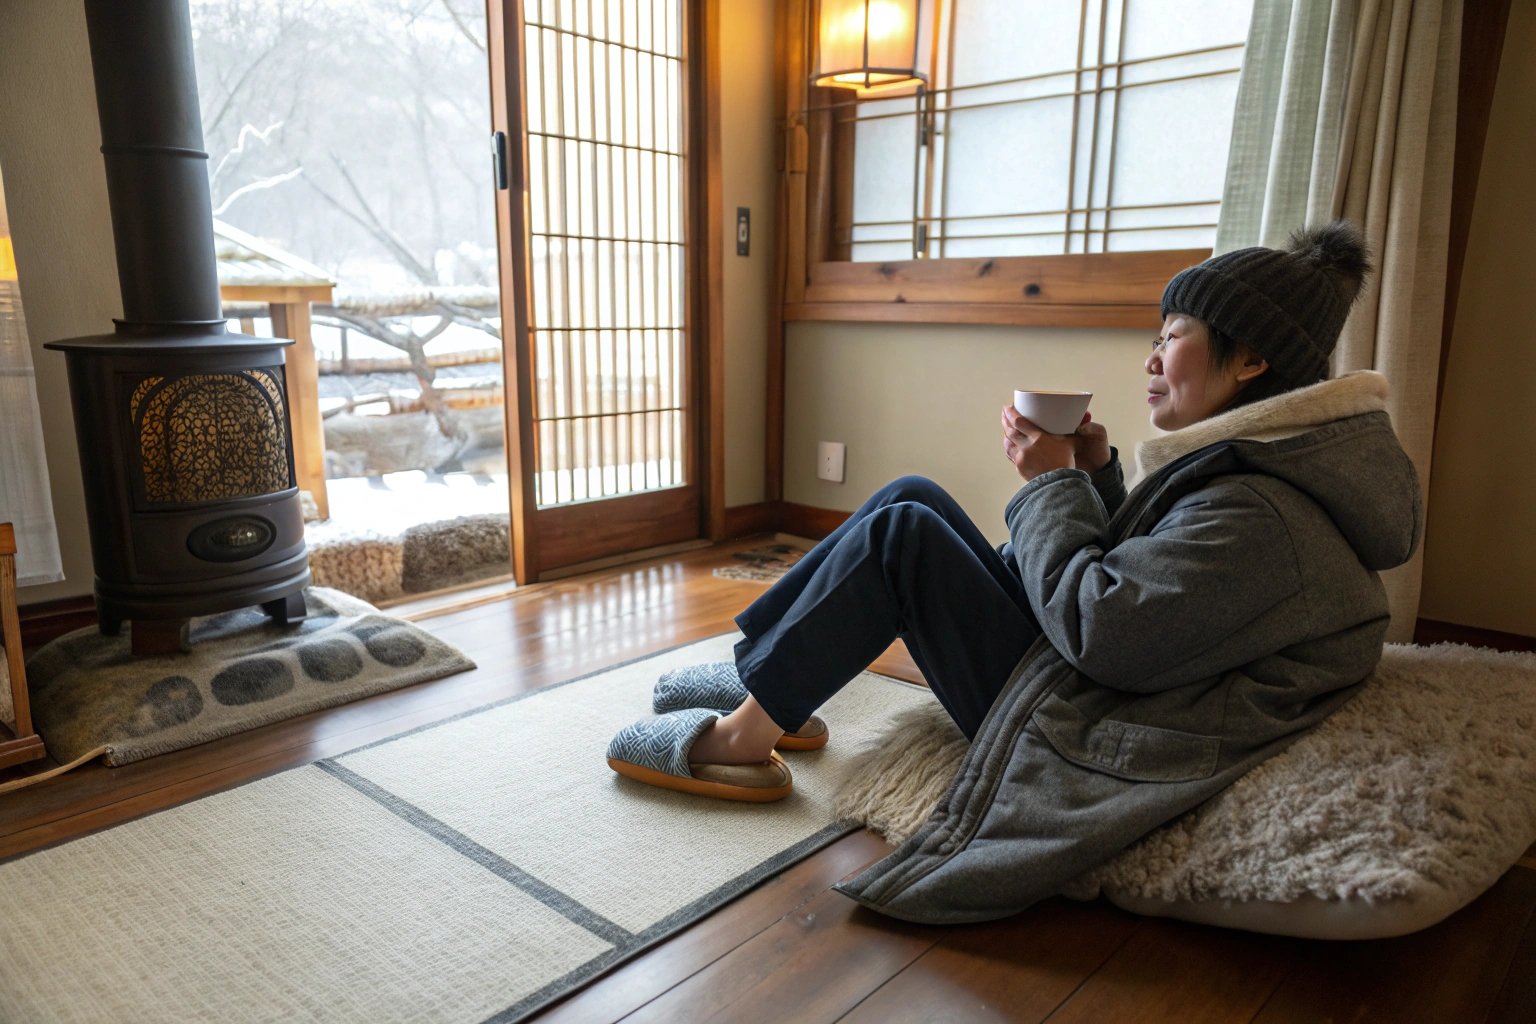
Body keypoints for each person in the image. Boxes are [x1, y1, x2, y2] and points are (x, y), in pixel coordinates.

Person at [606, 221, 1422, 922]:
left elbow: (1107, 632)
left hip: (1089, 712)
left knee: (904, 541)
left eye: (1172, 335)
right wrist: (1097, 478)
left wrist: (1055, 484)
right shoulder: (1269, 468)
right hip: (1103, 676)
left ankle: (744, 740)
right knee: (913, 498)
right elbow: (1160, 583)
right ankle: (772, 685)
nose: (1151, 357)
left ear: (1249, 363)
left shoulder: (1265, 514)